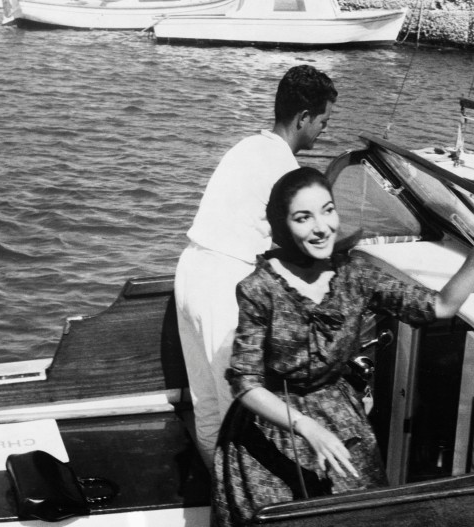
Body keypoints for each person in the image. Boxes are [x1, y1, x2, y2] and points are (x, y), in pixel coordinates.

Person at [212, 167, 474, 526]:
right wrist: (306, 428)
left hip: (339, 417)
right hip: (271, 427)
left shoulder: (356, 275)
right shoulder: (257, 288)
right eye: (303, 218)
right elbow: (245, 383)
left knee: (360, 515)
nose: (321, 227)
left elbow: (440, 307)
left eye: (328, 210)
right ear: (283, 225)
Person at [174, 65, 338, 470]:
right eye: (322, 122)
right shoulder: (287, 172)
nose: (322, 132)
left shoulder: (246, 146)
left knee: (208, 406)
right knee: (241, 413)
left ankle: (221, 500)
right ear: (303, 118)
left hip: (191, 272)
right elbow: (304, 251)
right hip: (223, 286)